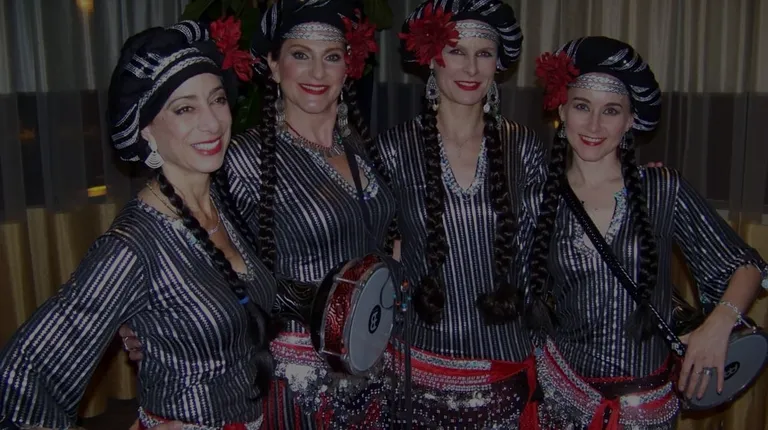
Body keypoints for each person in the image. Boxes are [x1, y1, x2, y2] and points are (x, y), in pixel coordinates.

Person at [121, 2, 398, 429]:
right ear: (272, 64)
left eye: (331, 57)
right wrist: (149, 320)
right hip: (295, 381)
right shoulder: (241, 159)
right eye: (300, 54)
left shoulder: (363, 149)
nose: (317, 72)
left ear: (348, 67)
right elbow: (182, 236)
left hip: (374, 359)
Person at [0, 20, 277, 430]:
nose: (212, 122)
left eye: (217, 99)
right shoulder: (133, 246)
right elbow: (21, 375)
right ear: (145, 128)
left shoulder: (226, 201)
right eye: (184, 108)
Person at [521, 35, 768, 429]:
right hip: (561, 401)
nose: (594, 124)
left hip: (647, 410)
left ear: (630, 120)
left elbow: (747, 265)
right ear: (561, 110)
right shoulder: (536, 200)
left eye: (611, 110)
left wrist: (718, 325)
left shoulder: (662, 189)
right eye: (582, 106)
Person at [373, 1, 546, 428]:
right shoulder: (391, 150)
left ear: (498, 63)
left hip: (504, 372)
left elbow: (549, 250)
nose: (470, 67)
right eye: (456, 51)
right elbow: (376, 256)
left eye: (483, 53)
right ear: (432, 58)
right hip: (418, 373)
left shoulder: (525, 148)